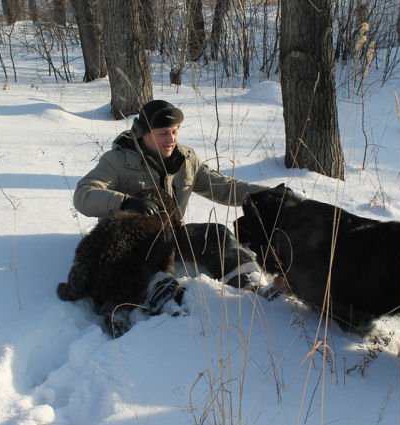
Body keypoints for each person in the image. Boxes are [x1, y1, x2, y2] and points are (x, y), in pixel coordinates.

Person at [73, 99, 273, 309]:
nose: (171, 139)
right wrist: (125, 202)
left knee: (217, 234)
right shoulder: (117, 161)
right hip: (131, 242)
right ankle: (156, 294)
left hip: (171, 235)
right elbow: (84, 194)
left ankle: (249, 281)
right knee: (137, 262)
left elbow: (222, 186)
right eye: (163, 133)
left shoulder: (186, 159)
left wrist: (267, 194)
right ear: (144, 133)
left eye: (175, 132)